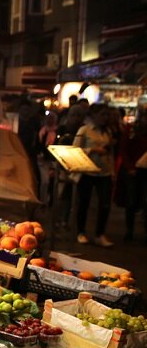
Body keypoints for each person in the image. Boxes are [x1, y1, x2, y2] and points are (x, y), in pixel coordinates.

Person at [73, 104, 116, 246]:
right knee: (84, 203)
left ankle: (100, 233)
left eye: (107, 115)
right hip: (87, 172)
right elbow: (75, 150)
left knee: (105, 204)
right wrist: (92, 150)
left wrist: (112, 171)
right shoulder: (85, 130)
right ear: (94, 115)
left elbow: (110, 153)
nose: (106, 118)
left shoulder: (107, 131)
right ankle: (80, 232)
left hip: (104, 172)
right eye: (103, 114)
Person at [117, 111, 147, 242]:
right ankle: (129, 230)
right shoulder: (131, 129)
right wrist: (130, 167)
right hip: (133, 170)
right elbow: (123, 149)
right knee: (131, 201)